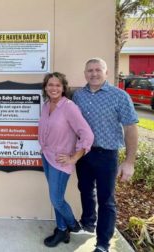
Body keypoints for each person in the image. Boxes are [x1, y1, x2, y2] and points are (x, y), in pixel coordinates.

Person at [73, 58, 138, 252]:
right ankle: (88, 223)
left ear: (106, 72)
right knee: (85, 189)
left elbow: (130, 128)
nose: (93, 74)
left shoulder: (120, 96)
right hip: (83, 154)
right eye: (90, 71)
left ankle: (103, 243)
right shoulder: (78, 95)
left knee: (106, 199)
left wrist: (129, 162)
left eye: (97, 70)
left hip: (106, 155)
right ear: (85, 74)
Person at [38, 72, 94, 247]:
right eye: (50, 85)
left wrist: (74, 157)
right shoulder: (46, 105)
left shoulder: (69, 107)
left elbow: (87, 134)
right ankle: (62, 230)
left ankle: (72, 224)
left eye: (57, 85)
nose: (54, 88)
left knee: (56, 199)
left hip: (61, 161)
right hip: (47, 156)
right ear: (45, 87)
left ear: (63, 88)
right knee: (56, 196)